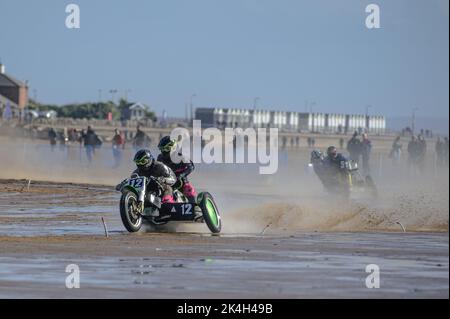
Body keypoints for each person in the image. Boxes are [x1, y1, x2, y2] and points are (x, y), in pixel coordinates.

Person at [157, 136, 198, 204]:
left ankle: (195, 207)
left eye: (166, 149)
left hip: (181, 182)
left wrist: (181, 175)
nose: (163, 151)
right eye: (162, 149)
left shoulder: (181, 156)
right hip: (167, 182)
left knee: (189, 189)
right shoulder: (160, 158)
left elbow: (191, 167)